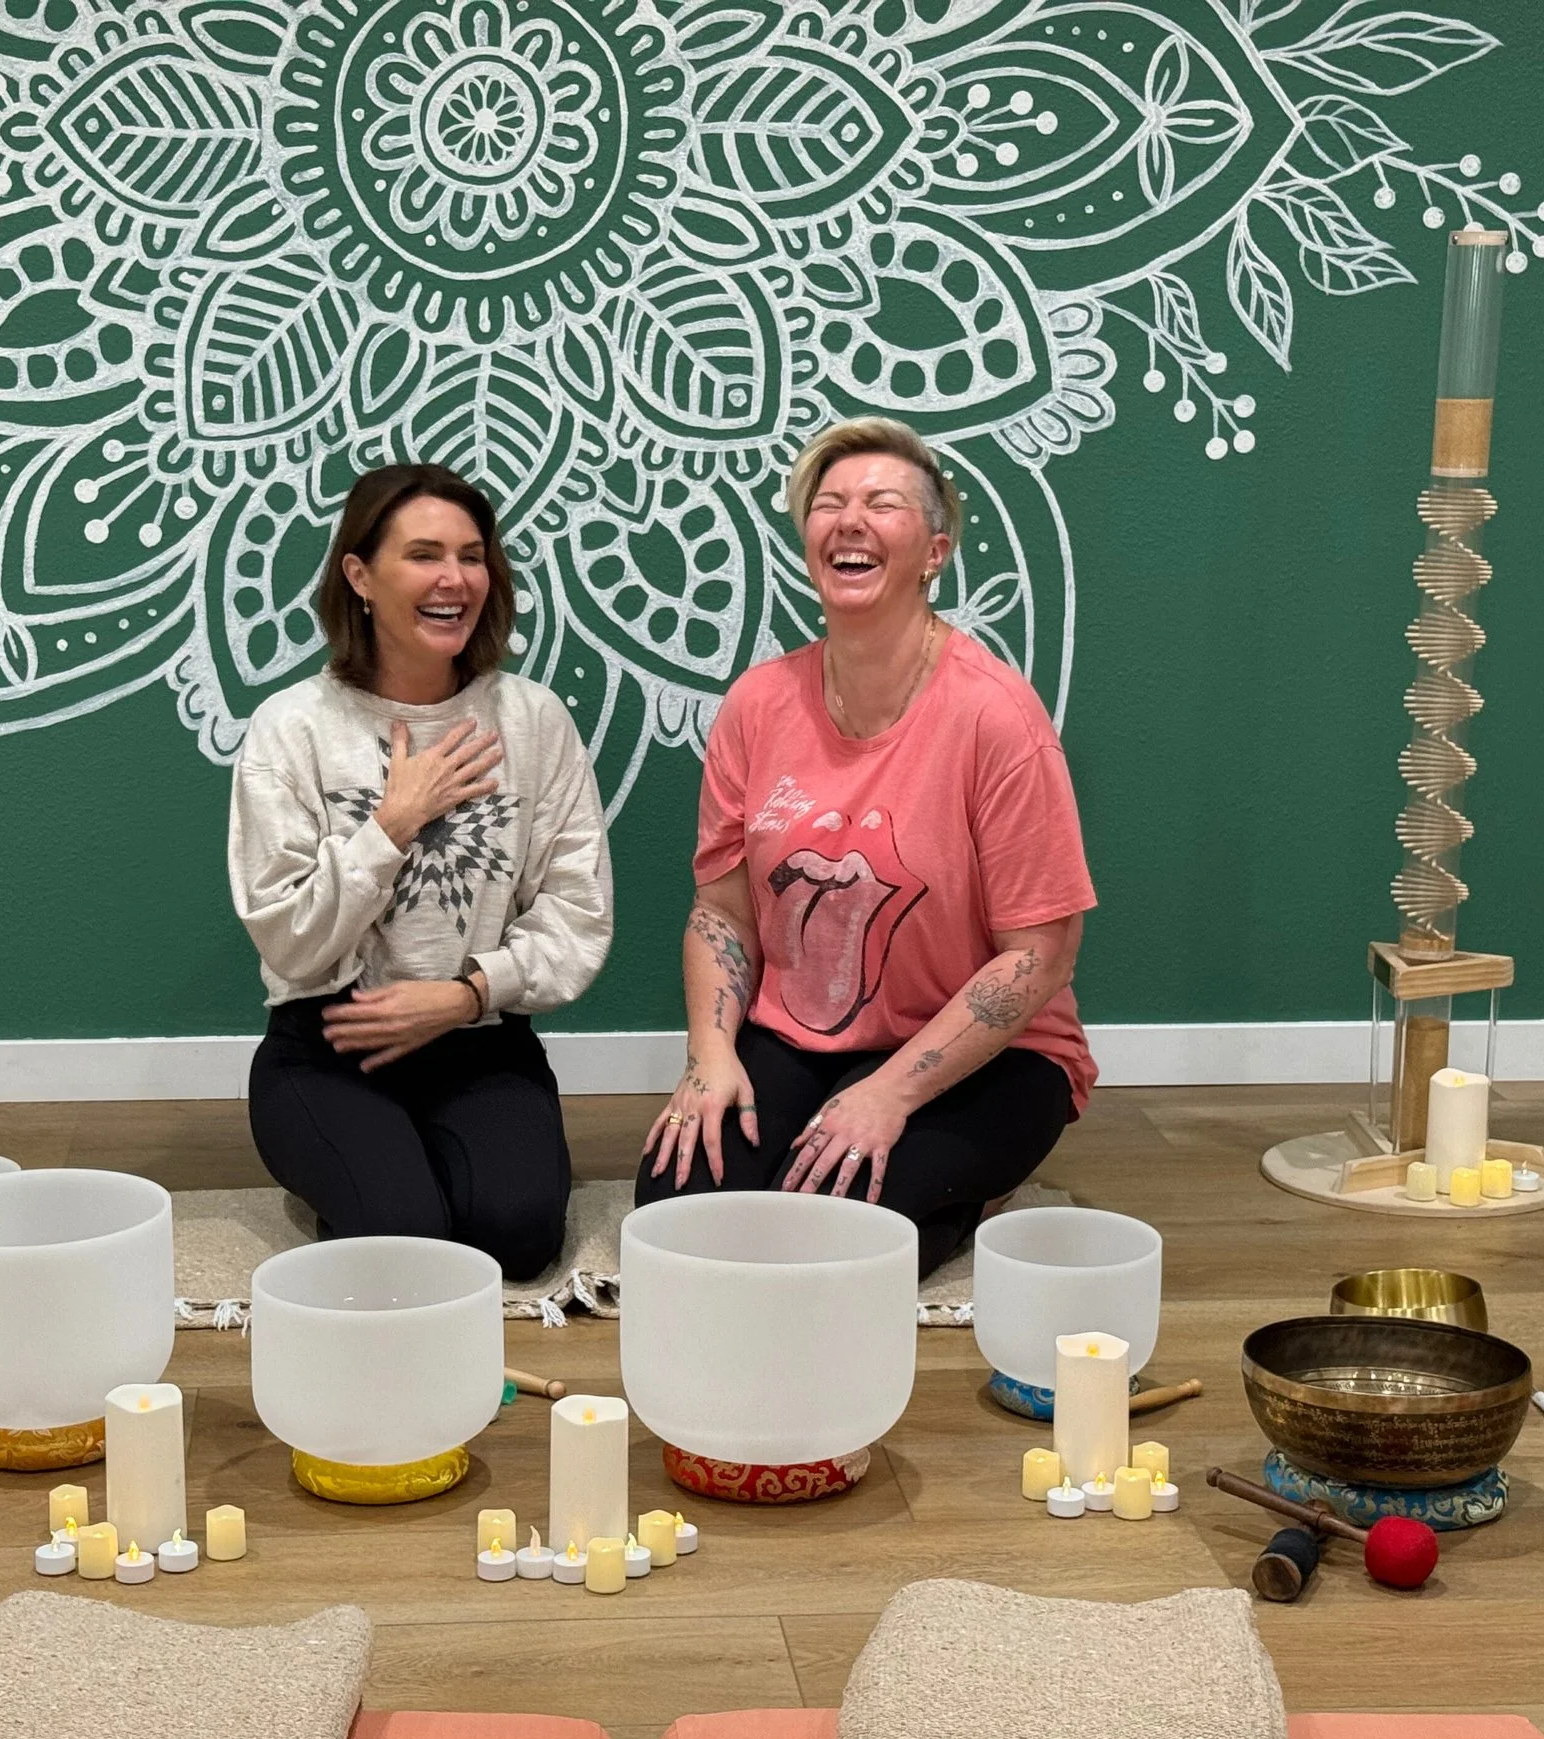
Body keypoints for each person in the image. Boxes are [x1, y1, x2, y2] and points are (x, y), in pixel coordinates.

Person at [636, 418, 1097, 1274]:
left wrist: (888, 1094)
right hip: (804, 1034)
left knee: (830, 1240)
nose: (849, 520)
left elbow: (1043, 952)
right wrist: (710, 1057)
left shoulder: (997, 716)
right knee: (676, 1214)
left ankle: (955, 1195)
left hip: (996, 1054)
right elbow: (723, 912)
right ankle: (918, 1194)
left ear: (934, 549)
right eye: (829, 504)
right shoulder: (757, 703)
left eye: (881, 504)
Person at [229, 463, 612, 1280]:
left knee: (517, 1237)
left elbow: (578, 912)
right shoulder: (290, 727)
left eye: (472, 556)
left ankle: (408, 1167)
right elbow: (290, 941)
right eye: (424, 555)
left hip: (478, 1037)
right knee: (410, 1243)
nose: (454, 580)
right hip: (332, 1043)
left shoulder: (533, 720)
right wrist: (392, 823)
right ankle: (370, 1171)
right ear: (359, 576)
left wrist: (471, 992)